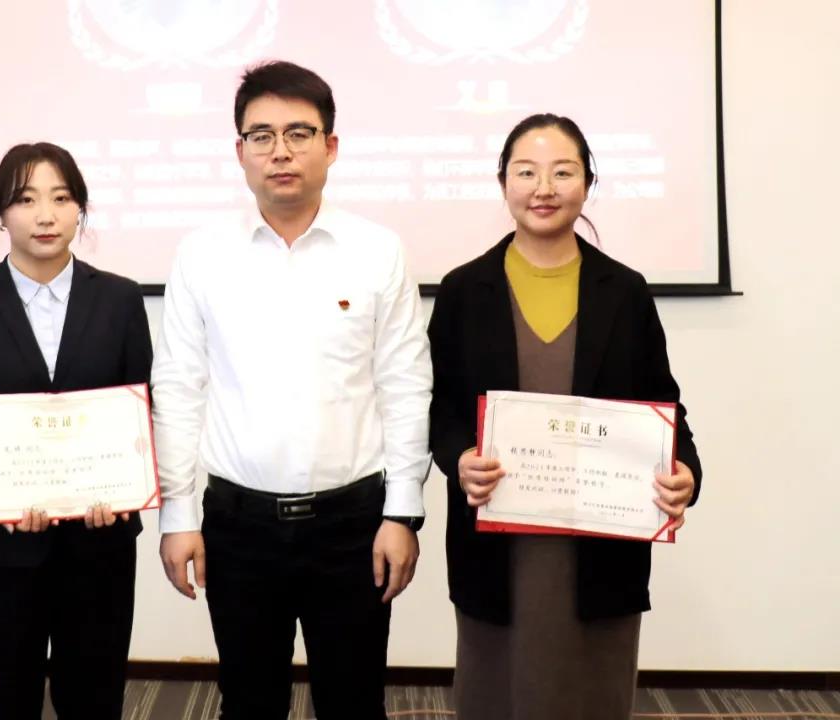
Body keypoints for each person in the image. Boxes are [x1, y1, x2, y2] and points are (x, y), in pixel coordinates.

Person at [151, 60, 432, 720]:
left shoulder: (377, 250)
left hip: (353, 524)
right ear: (240, 152)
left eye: (299, 133)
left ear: (330, 146)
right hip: (237, 526)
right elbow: (180, 388)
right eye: (262, 135)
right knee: (249, 703)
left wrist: (402, 514)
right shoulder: (202, 254)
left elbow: (405, 384)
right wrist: (178, 514)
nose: (280, 151)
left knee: (354, 702)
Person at [427, 113, 703, 720]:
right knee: (495, 693)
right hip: (497, 542)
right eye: (526, 172)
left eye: (562, 172)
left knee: (593, 693)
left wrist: (685, 471)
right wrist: (460, 459)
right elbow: (440, 408)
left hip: (601, 546)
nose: (544, 188)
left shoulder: (625, 291)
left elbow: (664, 405)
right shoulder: (463, 290)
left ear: (588, 182)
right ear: (504, 183)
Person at [0, 142, 151, 719]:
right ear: (0, 213)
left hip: (98, 548)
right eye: (26, 200)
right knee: (4, 699)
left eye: (61, 198)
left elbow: (142, 410)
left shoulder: (121, 299)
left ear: (81, 209)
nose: (45, 215)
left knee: (94, 699)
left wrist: (123, 492)